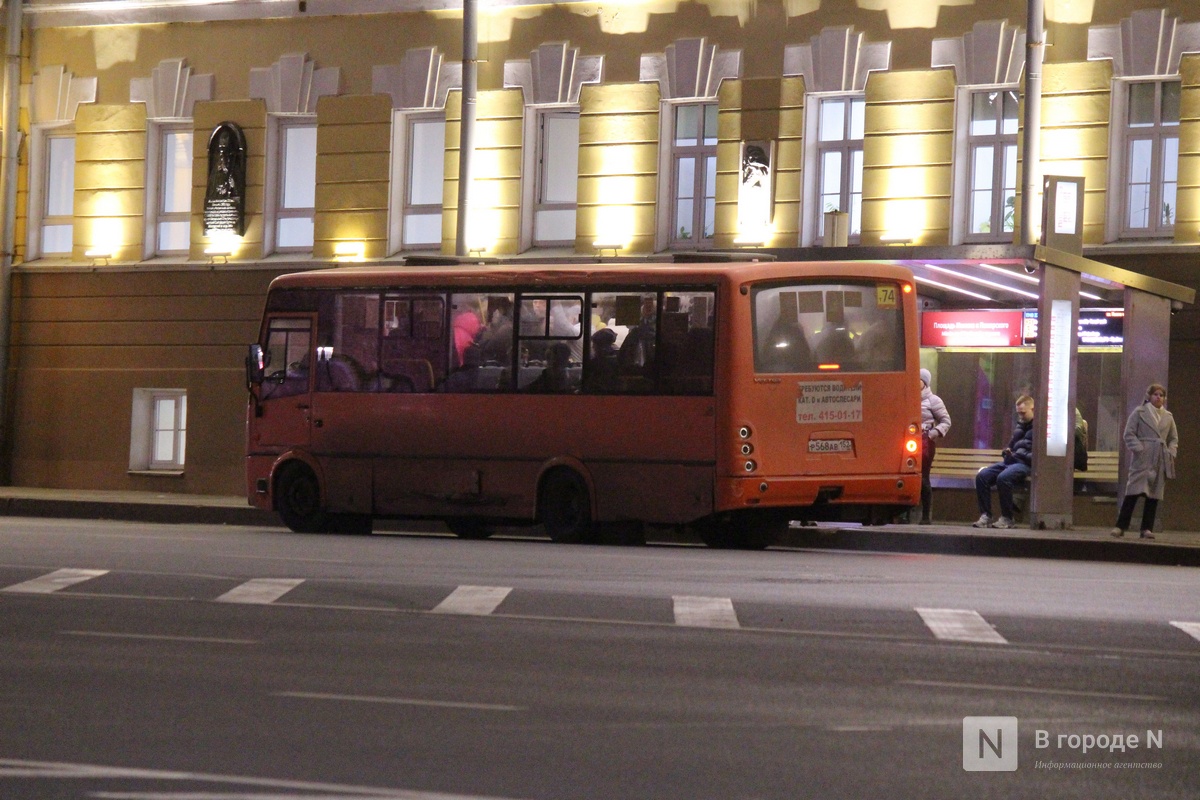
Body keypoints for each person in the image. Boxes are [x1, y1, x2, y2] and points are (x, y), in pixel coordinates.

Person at [1111, 383, 1178, 539]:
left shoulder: (1168, 416)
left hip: (1159, 457)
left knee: (1153, 494)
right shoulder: (1139, 412)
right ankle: (1120, 526)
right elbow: (1129, 433)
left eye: (1161, 395)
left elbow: (1173, 438)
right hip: (1143, 457)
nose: (1158, 397)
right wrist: (1140, 448)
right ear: (1149, 396)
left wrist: (1170, 452)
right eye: (1155, 394)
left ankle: (1146, 528)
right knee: (1133, 492)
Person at [973, 394, 1035, 530]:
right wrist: (1007, 450)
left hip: (1024, 464)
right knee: (982, 476)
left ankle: (1007, 518)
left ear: (1033, 409)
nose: (1021, 416)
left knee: (1003, 478)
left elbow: (1037, 454)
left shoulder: (1040, 429)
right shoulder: (1020, 426)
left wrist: (1018, 454)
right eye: (1019, 413)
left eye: (1023, 413)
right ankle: (986, 516)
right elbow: (1012, 444)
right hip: (1011, 461)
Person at [918, 368, 951, 524]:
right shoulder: (907, 396)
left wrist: (933, 433)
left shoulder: (934, 400)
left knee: (923, 478)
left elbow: (946, 421)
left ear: (925, 382)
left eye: (919, 380)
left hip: (925, 443)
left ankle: (925, 516)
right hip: (906, 442)